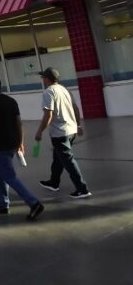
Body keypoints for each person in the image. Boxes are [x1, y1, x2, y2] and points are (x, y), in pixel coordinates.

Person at [0, 75, 44, 220]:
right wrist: (20, 142)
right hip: (13, 143)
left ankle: (33, 203)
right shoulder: (11, 101)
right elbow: (19, 123)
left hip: (1, 146)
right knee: (0, 173)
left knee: (9, 176)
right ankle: (3, 203)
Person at [34, 67, 90, 199]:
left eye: (43, 77)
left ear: (47, 79)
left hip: (60, 133)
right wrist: (78, 125)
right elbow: (75, 108)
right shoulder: (65, 89)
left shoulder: (48, 92)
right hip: (71, 130)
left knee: (68, 161)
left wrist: (39, 131)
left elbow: (48, 115)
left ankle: (82, 189)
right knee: (58, 158)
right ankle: (54, 183)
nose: (42, 79)